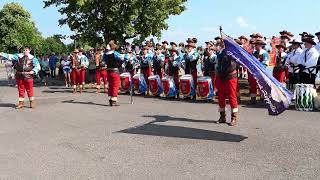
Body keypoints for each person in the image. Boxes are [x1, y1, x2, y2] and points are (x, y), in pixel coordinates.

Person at [215, 43, 239, 126]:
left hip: (230, 76)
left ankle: (234, 118)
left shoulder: (233, 52)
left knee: (232, 96)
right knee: (221, 96)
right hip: (221, 76)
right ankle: (222, 117)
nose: (219, 46)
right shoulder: (219, 52)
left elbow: (235, 63)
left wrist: (229, 55)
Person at [249, 39, 270, 104]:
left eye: (256, 45)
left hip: (261, 72)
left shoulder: (264, 53)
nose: (255, 46)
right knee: (253, 85)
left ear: (260, 45)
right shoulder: (255, 53)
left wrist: (259, 67)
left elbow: (266, 63)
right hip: (254, 71)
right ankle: (253, 99)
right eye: (255, 45)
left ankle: (263, 99)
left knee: (261, 85)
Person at [102, 41, 123, 106]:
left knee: (110, 85)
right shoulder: (115, 53)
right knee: (115, 85)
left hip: (108, 71)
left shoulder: (105, 54)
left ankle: (111, 99)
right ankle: (114, 100)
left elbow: (103, 61)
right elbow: (122, 59)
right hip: (115, 71)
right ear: (113, 48)